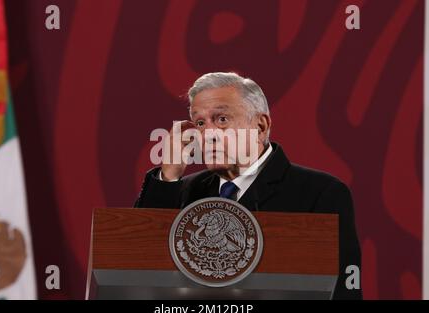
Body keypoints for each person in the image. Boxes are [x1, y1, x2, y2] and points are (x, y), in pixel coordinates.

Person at [135, 72, 362, 299]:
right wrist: (168, 177)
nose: (208, 135)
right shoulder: (181, 190)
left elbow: (344, 292)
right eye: (200, 123)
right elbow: (134, 263)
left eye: (222, 119)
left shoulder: (321, 193)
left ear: (260, 126)